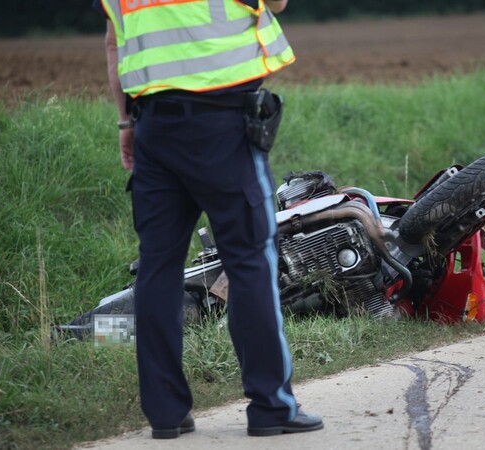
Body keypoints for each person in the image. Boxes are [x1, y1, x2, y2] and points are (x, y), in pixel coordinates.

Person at [93, 0, 323, 439]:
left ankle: (164, 414)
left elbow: (113, 43)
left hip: (154, 129)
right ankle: (272, 406)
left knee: (158, 268)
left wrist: (126, 123)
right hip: (224, 127)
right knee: (250, 260)